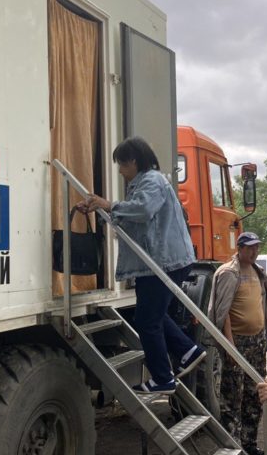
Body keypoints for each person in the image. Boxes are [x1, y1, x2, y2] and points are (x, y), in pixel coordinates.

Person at [78, 136, 205, 394]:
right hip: (158, 262)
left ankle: (163, 378)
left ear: (133, 161)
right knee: (151, 316)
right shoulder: (145, 183)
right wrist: (100, 209)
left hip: (161, 262)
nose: (121, 171)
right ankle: (188, 351)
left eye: (122, 165)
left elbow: (143, 210)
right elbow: (134, 219)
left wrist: (109, 204)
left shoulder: (152, 181)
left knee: (147, 321)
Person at [208, 231, 267, 455]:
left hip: (257, 341)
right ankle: (232, 451)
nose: (255, 252)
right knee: (233, 396)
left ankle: (249, 443)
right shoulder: (228, 272)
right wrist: (230, 347)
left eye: (257, 247)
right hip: (237, 343)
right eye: (250, 248)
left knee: (255, 395)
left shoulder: (257, 272)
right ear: (240, 248)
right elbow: (222, 313)